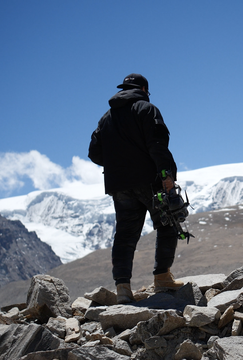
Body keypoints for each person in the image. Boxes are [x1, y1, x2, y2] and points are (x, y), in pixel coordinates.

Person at [88, 73, 184, 304]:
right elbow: (157, 145)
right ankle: (162, 277)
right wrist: (166, 175)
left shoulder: (106, 118)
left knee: (125, 235)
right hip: (149, 180)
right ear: (143, 88)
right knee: (167, 223)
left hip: (119, 185)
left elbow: (94, 153)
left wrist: (118, 164)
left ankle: (123, 289)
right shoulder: (146, 109)